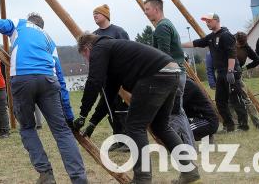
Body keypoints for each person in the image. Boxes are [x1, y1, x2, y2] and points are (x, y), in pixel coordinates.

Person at [0, 9, 87, 184]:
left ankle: (46, 174)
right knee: (62, 131)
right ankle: (79, 178)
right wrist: (69, 116)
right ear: (41, 25)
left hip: (23, 78)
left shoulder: (20, 24)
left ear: (29, 21)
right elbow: (61, 79)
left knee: (27, 128)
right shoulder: (49, 39)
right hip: (48, 79)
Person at [74, 34, 201, 184]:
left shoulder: (100, 48)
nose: (88, 60)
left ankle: (142, 179)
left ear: (87, 48)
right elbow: (108, 96)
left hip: (154, 75)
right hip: (171, 72)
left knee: (135, 126)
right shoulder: (114, 53)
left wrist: (82, 114)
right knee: (161, 126)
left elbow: (94, 81)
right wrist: (92, 123)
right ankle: (189, 171)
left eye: (86, 56)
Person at [181, 13, 248, 132]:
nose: (207, 24)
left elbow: (231, 54)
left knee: (235, 99)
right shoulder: (211, 37)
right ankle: (229, 126)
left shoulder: (226, 35)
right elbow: (197, 43)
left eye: (209, 21)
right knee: (220, 101)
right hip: (221, 73)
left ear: (217, 21)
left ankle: (243, 126)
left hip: (231, 72)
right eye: (206, 22)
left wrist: (231, 71)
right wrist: (178, 45)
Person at [144, 0, 194, 146]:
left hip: (172, 76)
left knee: (174, 113)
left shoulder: (162, 27)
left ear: (156, 9)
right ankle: (189, 146)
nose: (145, 12)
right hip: (177, 74)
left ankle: (183, 148)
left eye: (147, 9)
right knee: (179, 112)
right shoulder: (167, 24)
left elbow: (164, 56)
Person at [83, 4, 131, 152]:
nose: (95, 16)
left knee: (123, 109)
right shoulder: (94, 35)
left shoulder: (118, 32)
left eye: (97, 13)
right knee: (111, 109)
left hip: (121, 78)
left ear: (106, 15)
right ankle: (118, 138)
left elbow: (128, 52)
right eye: (93, 14)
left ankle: (128, 141)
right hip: (105, 79)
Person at [234, 31, 259, 129]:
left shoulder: (246, 48)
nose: (238, 45)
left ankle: (258, 123)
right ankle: (235, 124)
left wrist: (245, 68)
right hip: (226, 74)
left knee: (246, 99)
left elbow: (257, 60)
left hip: (238, 75)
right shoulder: (229, 45)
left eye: (240, 44)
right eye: (237, 43)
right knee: (229, 101)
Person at [182, 77, 219, 141]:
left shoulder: (187, 84)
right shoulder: (184, 83)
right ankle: (207, 136)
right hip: (197, 118)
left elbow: (176, 106)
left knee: (180, 131)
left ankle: (207, 135)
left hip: (207, 121)